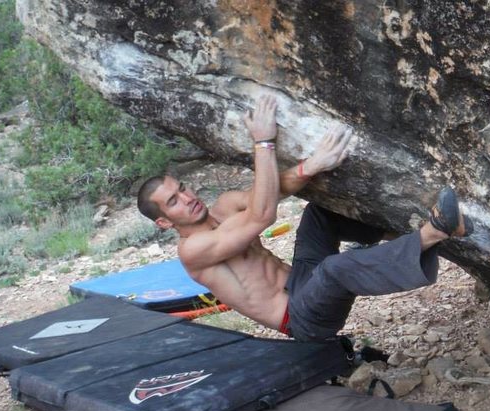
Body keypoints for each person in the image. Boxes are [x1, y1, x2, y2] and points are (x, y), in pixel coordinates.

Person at [137, 95, 472, 342]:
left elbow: (271, 190)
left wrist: (310, 167)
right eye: (174, 201)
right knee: (335, 268)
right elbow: (263, 214)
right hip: (301, 316)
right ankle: (432, 234)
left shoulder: (223, 207)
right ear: (164, 222)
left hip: (302, 279)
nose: (188, 197)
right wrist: (263, 141)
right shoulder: (193, 250)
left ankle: (407, 235)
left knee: (319, 213)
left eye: (182, 188)